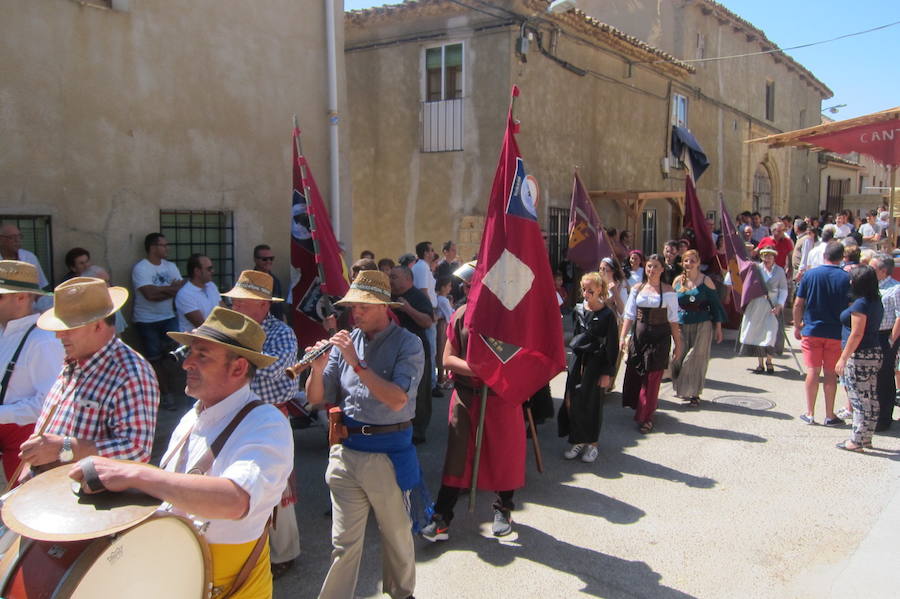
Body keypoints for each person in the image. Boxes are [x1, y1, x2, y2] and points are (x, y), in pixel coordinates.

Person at [70, 307, 292, 599]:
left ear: (238, 368)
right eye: (189, 353)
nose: (186, 363)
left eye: (202, 355)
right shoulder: (195, 415)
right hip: (180, 576)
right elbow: (174, 493)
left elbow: (234, 501)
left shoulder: (267, 423)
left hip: (228, 587)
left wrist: (136, 473)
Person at [305, 270, 425, 599]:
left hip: (387, 454)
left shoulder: (408, 344)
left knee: (397, 535)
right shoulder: (348, 340)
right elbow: (317, 397)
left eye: (364, 307)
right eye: (353, 307)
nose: (355, 313)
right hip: (345, 452)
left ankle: (402, 593)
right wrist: (316, 369)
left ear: (385, 307)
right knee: (343, 543)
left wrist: (356, 364)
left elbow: (398, 398)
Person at [421, 260, 523, 541]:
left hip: (500, 398)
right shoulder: (460, 315)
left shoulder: (509, 318)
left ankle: (504, 507)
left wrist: (498, 371)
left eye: (473, 282)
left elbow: (516, 361)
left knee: (502, 454)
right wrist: (480, 369)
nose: (467, 287)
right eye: (465, 283)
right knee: (457, 457)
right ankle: (442, 517)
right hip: (466, 396)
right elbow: (448, 359)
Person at [19, 277, 158, 470]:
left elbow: (136, 451)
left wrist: (64, 448)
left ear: (98, 325)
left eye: (68, 328)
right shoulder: (75, 359)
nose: (59, 335)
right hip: (53, 490)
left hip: (83, 494)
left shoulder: (130, 373)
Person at [223, 270, 300, 576]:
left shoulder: (281, 333)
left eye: (242, 301)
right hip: (232, 415)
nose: (235, 305)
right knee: (237, 481)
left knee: (274, 487)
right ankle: (246, 549)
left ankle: (284, 553)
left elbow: (267, 369)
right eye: (235, 300)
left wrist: (235, 357)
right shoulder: (228, 330)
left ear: (263, 306)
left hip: (269, 415)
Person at [0, 261, 64, 480]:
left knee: (17, 506)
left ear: (21, 298)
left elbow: (49, 404)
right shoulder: (3, 331)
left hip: (24, 438)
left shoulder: (42, 340)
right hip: (6, 432)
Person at [559, 272, 619, 463]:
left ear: (600, 289)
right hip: (577, 360)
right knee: (572, 399)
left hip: (596, 363)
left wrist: (607, 373)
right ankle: (577, 439)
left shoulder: (607, 315)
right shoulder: (578, 310)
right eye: (584, 289)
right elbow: (577, 336)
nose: (586, 293)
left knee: (591, 403)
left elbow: (612, 346)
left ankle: (592, 444)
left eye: (590, 290)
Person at [620, 254, 682, 434]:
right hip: (639, 337)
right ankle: (641, 407)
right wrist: (623, 337)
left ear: (662, 269)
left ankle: (647, 417)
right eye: (649, 266)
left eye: (655, 266)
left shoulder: (668, 290)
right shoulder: (637, 289)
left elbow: (673, 320)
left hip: (660, 338)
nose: (651, 270)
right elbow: (629, 315)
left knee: (653, 377)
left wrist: (678, 344)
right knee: (638, 372)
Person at [793, 242, 850, 426]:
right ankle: (829, 414)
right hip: (835, 332)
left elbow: (798, 303)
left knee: (812, 371)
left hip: (812, 329)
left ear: (824, 255)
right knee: (830, 374)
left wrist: (797, 325)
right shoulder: (846, 278)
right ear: (842, 257)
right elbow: (851, 306)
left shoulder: (810, 275)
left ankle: (809, 413)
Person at [834, 266, 884, 451]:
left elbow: (856, 333)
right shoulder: (876, 301)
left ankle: (856, 440)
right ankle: (866, 437)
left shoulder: (861, 304)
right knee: (870, 397)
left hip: (860, 355)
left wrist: (843, 358)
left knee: (858, 399)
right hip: (874, 352)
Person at [131, 232, 184, 404]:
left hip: (169, 317)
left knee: (174, 355)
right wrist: (170, 289)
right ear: (153, 247)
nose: (167, 248)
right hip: (147, 321)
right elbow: (149, 295)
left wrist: (160, 290)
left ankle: (177, 391)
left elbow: (180, 289)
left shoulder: (170, 266)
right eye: (164, 245)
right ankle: (165, 395)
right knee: (154, 360)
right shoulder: (141, 268)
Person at [671, 250, 725, 406]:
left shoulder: (706, 281)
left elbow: (715, 306)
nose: (689, 264)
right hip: (681, 324)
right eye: (686, 261)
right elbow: (671, 306)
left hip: (703, 323)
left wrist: (719, 328)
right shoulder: (677, 282)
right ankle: (682, 386)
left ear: (699, 262)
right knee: (678, 356)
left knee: (696, 358)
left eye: (692, 260)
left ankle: (694, 393)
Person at [389, 265, 434, 444]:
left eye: (394, 277)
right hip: (394, 351)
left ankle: (418, 431)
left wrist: (407, 308)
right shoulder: (388, 296)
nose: (390, 280)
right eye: (390, 277)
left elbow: (428, 322)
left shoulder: (418, 297)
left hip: (418, 354)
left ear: (408, 279)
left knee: (419, 393)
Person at [737, 247, 788, 374]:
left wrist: (780, 305)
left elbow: (783, 289)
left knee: (771, 334)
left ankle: (769, 361)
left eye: (770, 256)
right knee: (758, 333)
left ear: (774, 258)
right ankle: (760, 363)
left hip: (772, 307)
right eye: (765, 256)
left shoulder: (779, 271)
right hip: (757, 305)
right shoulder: (756, 269)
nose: (767, 259)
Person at [869, 254, 900, 431]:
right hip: (873, 334)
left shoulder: (895, 288)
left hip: (886, 336)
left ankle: (884, 418)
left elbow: (899, 316)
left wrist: (891, 340)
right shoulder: (873, 286)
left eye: (873, 268)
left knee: (885, 376)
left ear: (883, 271)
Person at [175, 253, 221, 333]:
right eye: (209, 269)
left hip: (215, 338)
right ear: (197, 271)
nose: (213, 271)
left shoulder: (211, 286)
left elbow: (224, 311)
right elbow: (202, 326)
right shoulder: (185, 295)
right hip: (194, 343)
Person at [253, 244, 286, 321]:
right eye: (265, 259)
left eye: (271, 258)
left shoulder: (275, 280)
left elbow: (279, 307)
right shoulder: (250, 280)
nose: (269, 261)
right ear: (255, 259)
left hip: (276, 326)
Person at [434, 276, 454, 390]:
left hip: (441, 325)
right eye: (448, 286)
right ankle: (441, 378)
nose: (450, 288)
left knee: (440, 352)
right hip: (443, 327)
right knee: (442, 352)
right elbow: (450, 316)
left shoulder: (438, 298)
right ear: (442, 287)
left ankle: (442, 377)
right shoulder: (443, 300)